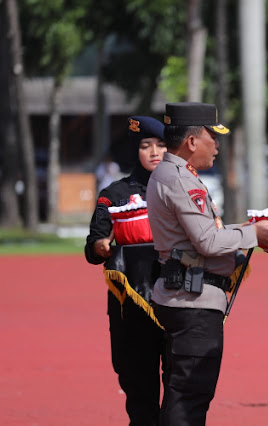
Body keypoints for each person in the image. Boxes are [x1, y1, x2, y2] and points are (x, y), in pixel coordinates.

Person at [146, 102, 268, 426]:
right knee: (189, 399)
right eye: (213, 136)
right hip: (192, 303)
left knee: (183, 395)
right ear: (192, 141)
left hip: (183, 296)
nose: (217, 145)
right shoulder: (181, 179)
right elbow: (208, 241)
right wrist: (255, 233)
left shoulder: (171, 174)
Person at [85, 116, 167, 425]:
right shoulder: (114, 194)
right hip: (130, 304)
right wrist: (100, 247)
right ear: (136, 150)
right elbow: (93, 243)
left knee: (181, 384)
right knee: (137, 382)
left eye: (161, 145)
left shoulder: (186, 187)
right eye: (146, 146)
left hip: (175, 297)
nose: (154, 152)